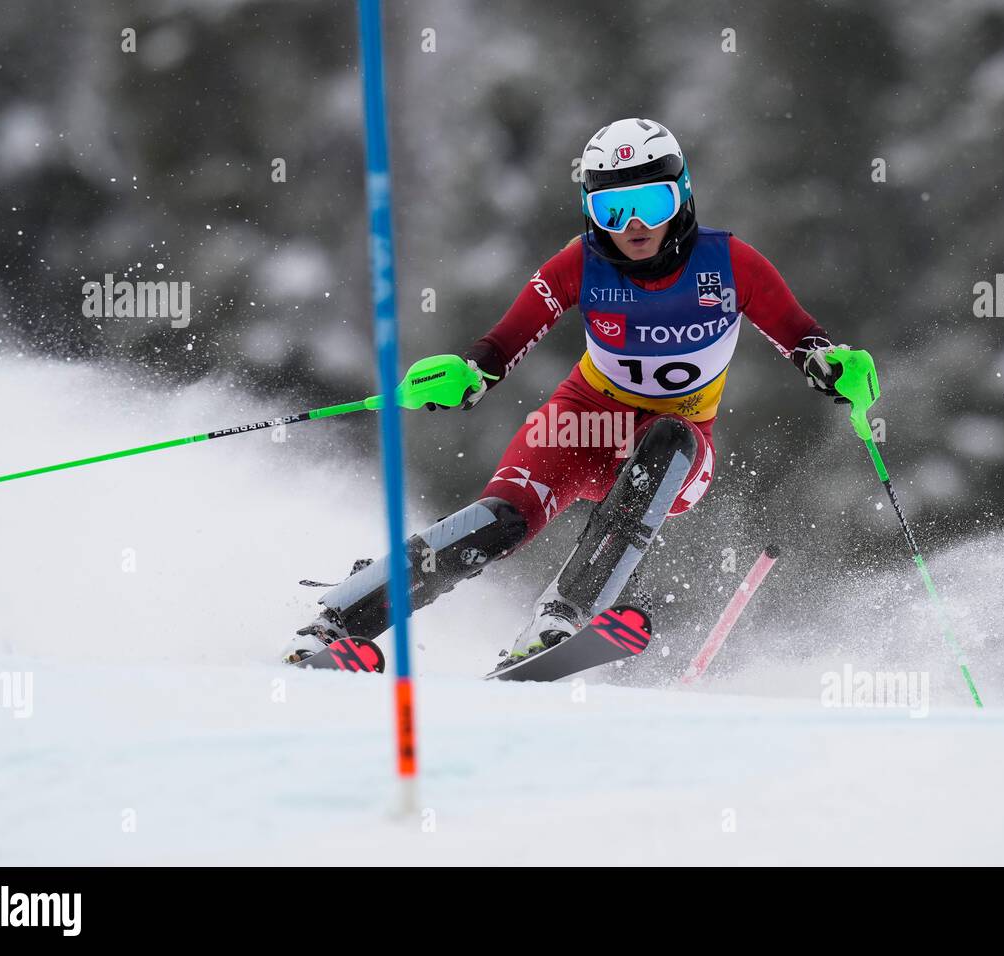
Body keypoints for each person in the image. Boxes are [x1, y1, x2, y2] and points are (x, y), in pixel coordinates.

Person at [283, 117, 854, 669]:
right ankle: (337, 623)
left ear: (681, 196)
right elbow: (502, 343)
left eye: (651, 204)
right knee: (501, 520)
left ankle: (562, 615)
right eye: (612, 209)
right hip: (583, 421)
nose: (633, 225)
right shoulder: (580, 264)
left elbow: (803, 337)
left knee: (668, 439)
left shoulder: (730, 265)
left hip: (678, 451)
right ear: (590, 211)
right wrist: (466, 374)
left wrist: (835, 367)